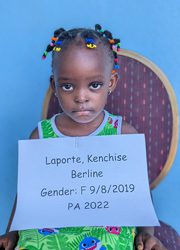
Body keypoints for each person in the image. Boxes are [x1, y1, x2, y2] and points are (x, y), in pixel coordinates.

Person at [0, 24, 167, 250]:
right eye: (68, 86)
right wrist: (11, 232)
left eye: (94, 85)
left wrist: (147, 234)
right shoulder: (41, 136)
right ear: (55, 86)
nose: (81, 97)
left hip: (106, 234)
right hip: (49, 234)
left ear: (111, 83)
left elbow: (139, 196)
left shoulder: (124, 134)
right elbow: (28, 194)